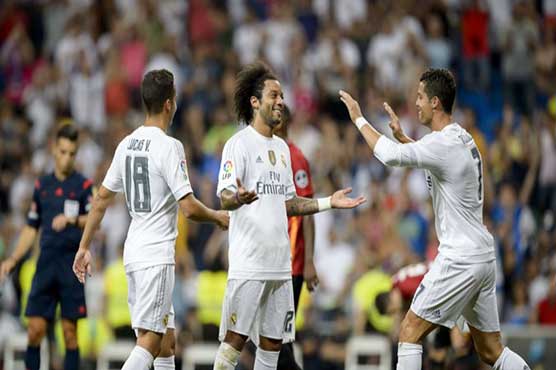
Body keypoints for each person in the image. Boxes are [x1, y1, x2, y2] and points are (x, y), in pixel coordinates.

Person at [339, 68, 530, 370]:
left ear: (436, 103)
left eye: (420, 97)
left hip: (459, 257)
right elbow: (435, 161)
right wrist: (406, 139)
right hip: (481, 256)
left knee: (409, 331)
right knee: (491, 351)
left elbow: (389, 156)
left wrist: (358, 119)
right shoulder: (459, 138)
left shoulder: (443, 145)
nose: (416, 103)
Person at [72, 69, 229, 370]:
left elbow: (101, 199)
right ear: (170, 103)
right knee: (151, 341)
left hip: (134, 253)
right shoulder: (169, 146)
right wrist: (217, 217)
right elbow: (189, 208)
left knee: (167, 341)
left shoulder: (126, 144)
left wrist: (84, 246)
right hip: (156, 256)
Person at [213, 61, 365, 370]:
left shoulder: (282, 150)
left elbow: (289, 203)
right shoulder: (238, 144)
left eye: (282, 95)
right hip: (250, 264)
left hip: (280, 267)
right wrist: (238, 198)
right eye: (274, 95)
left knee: (272, 346)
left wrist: (327, 203)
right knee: (234, 342)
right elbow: (224, 195)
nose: (281, 101)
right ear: (255, 102)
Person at [0, 124, 92, 370]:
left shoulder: (83, 186)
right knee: (35, 330)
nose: (66, 158)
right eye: (63, 152)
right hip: (46, 263)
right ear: (54, 149)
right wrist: (13, 259)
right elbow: (31, 228)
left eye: (72, 153)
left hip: (71, 265)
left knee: (69, 333)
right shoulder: (42, 186)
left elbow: (93, 221)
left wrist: (71, 220)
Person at [273, 105, 317, 370]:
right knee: (274, 339)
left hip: (293, 264)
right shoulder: (271, 156)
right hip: (274, 261)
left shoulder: (295, 158)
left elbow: (308, 212)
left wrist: (310, 260)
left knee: (279, 340)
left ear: (283, 123)